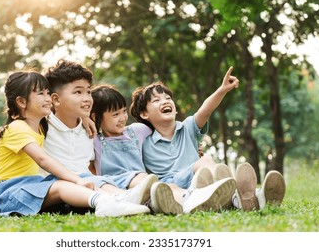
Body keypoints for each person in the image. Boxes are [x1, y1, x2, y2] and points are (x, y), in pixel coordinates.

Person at [0, 60, 159, 212]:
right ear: (21, 101)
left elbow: (60, 108)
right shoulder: (18, 127)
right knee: (62, 185)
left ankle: (121, 199)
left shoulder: (40, 125)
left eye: (47, 93)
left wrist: (84, 116)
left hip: (29, 185)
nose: (47, 98)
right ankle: (107, 201)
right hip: (4, 191)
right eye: (41, 94)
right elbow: (36, 156)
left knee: (67, 184)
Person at [130, 66, 285, 211]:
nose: (165, 101)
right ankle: (233, 197)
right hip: (173, 188)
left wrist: (222, 90)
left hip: (200, 179)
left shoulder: (187, 128)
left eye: (168, 98)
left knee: (206, 162)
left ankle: (252, 197)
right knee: (201, 166)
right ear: (144, 114)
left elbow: (206, 110)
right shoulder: (144, 143)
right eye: (156, 100)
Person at [90, 84, 237, 214]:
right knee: (159, 184)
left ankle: (229, 193)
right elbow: (89, 164)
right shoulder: (94, 140)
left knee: (204, 162)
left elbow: (203, 112)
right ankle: (193, 198)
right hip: (121, 182)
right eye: (115, 114)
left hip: (147, 179)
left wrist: (192, 146)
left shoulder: (137, 131)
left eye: (123, 112)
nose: (122, 117)